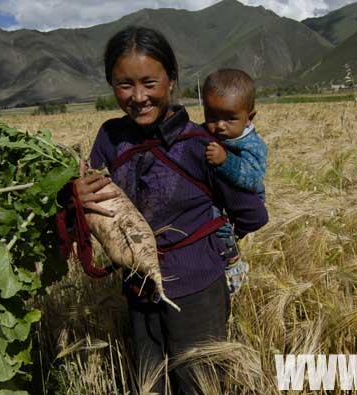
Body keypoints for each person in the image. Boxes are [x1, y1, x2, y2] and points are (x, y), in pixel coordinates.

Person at [71, 26, 268, 394]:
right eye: (124, 84)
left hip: (197, 292)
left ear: (172, 79)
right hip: (138, 287)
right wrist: (76, 195)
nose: (138, 97)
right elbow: (86, 209)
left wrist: (217, 240)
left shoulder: (202, 144)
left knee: (198, 384)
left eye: (149, 82)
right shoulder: (108, 139)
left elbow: (253, 215)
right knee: (152, 383)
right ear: (111, 84)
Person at [202, 69, 268, 294]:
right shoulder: (211, 133)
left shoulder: (252, 144)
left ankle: (233, 267)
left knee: (221, 231)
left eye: (229, 118)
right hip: (217, 194)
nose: (219, 125)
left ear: (250, 117)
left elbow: (253, 178)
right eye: (212, 117)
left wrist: (225, 161)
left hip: (245, 198)